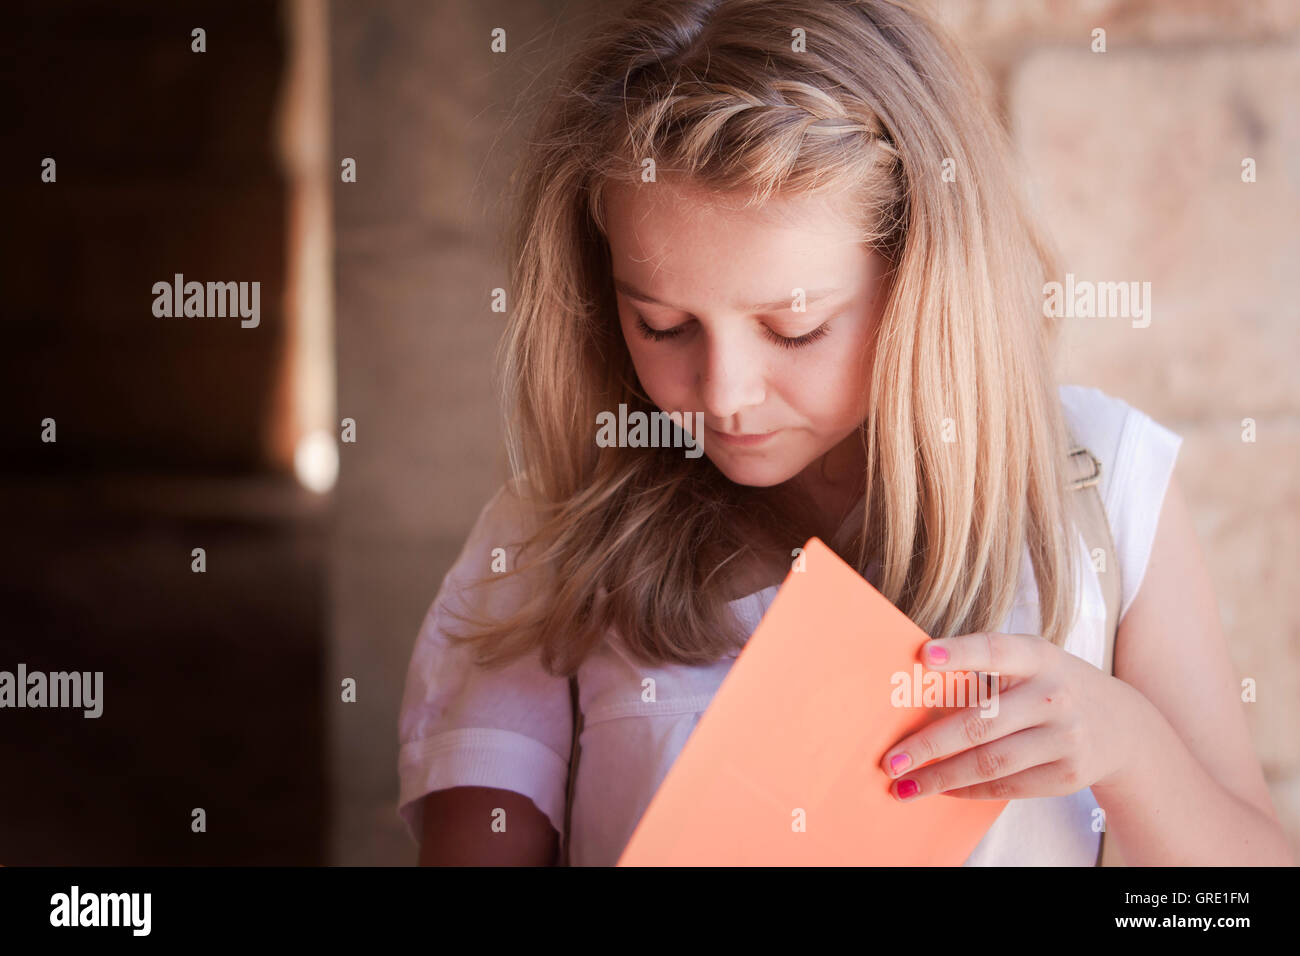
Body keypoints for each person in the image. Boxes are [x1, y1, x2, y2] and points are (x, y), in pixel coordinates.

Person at [397, 0, 1290, 866]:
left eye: (795, 329)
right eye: (663, 326)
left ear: (922, 280)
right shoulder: (554, 537)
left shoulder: (1102, 485)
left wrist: (1131, 751)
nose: (726, 395)